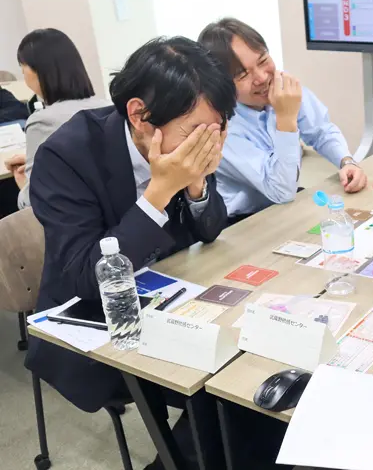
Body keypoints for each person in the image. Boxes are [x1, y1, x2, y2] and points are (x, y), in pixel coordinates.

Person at [25, 37, 233, 468]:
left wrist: (195, 185)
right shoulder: (65, 156)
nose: (208, 143)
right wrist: (159, 192)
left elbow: (211, 228)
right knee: (229, 392)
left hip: (174, 297)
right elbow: (86, 276)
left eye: (219, 128)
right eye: (196, 132)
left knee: (252, 371)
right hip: (96, 326)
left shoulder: (185, 147)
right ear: (140, 115)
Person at [197, 18, 367, 222]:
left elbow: (321, 131)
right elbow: (280, 191)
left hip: (282, 202)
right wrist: (286, 119)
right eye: (242, 75)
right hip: (241, 221)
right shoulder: (220, 126)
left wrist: (346, 161)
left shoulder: (281, 88)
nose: (261, 78)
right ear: (221, 84)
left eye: (262, 61)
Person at [8, 29, 108, 209]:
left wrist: (22, 185)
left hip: (71, 220)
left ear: (39, 70)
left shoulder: (42, 122)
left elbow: (34, 199)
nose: (22, 71)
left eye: (23, 65)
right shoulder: (107, 106)